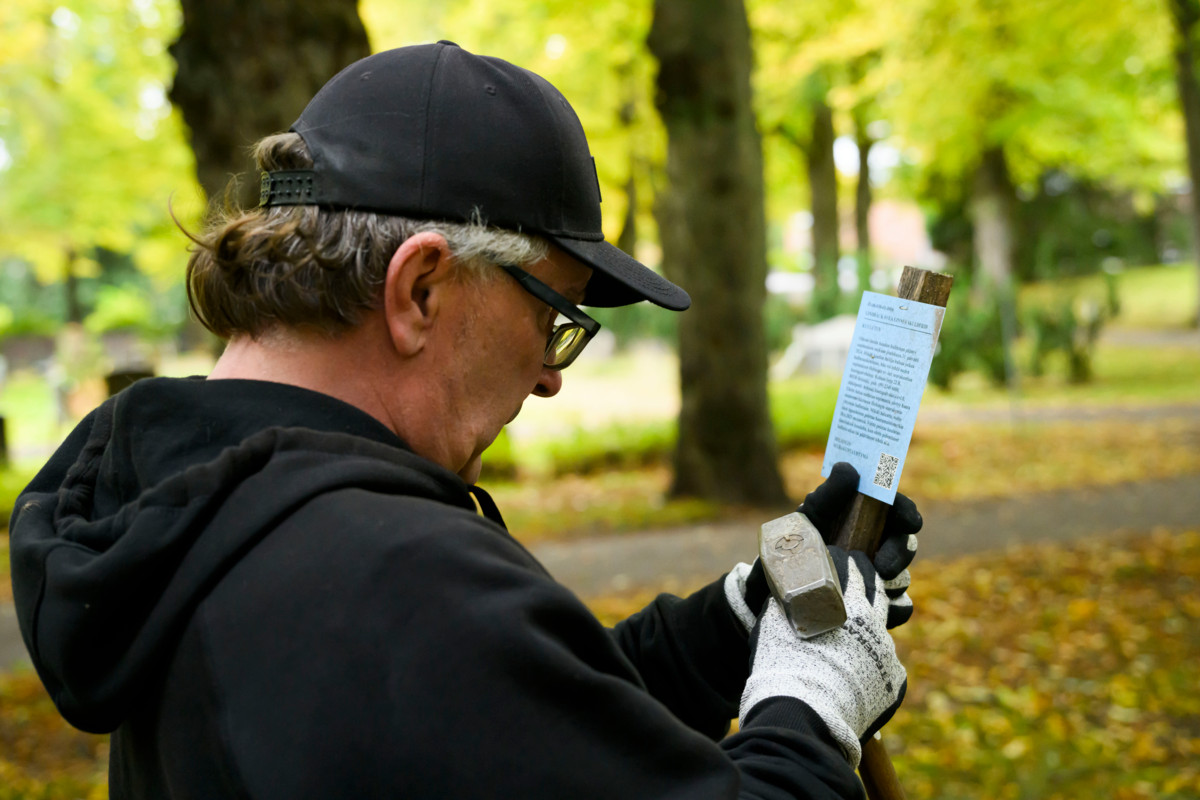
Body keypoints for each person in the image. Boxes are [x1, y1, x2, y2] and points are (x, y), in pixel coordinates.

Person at [9, 41, 922, 798]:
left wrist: (738, 621)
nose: (548, 378)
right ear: (421, 286)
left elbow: (502, 734)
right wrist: (814, 699)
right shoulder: (393, 574)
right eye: (553, 317)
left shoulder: (198, 512)